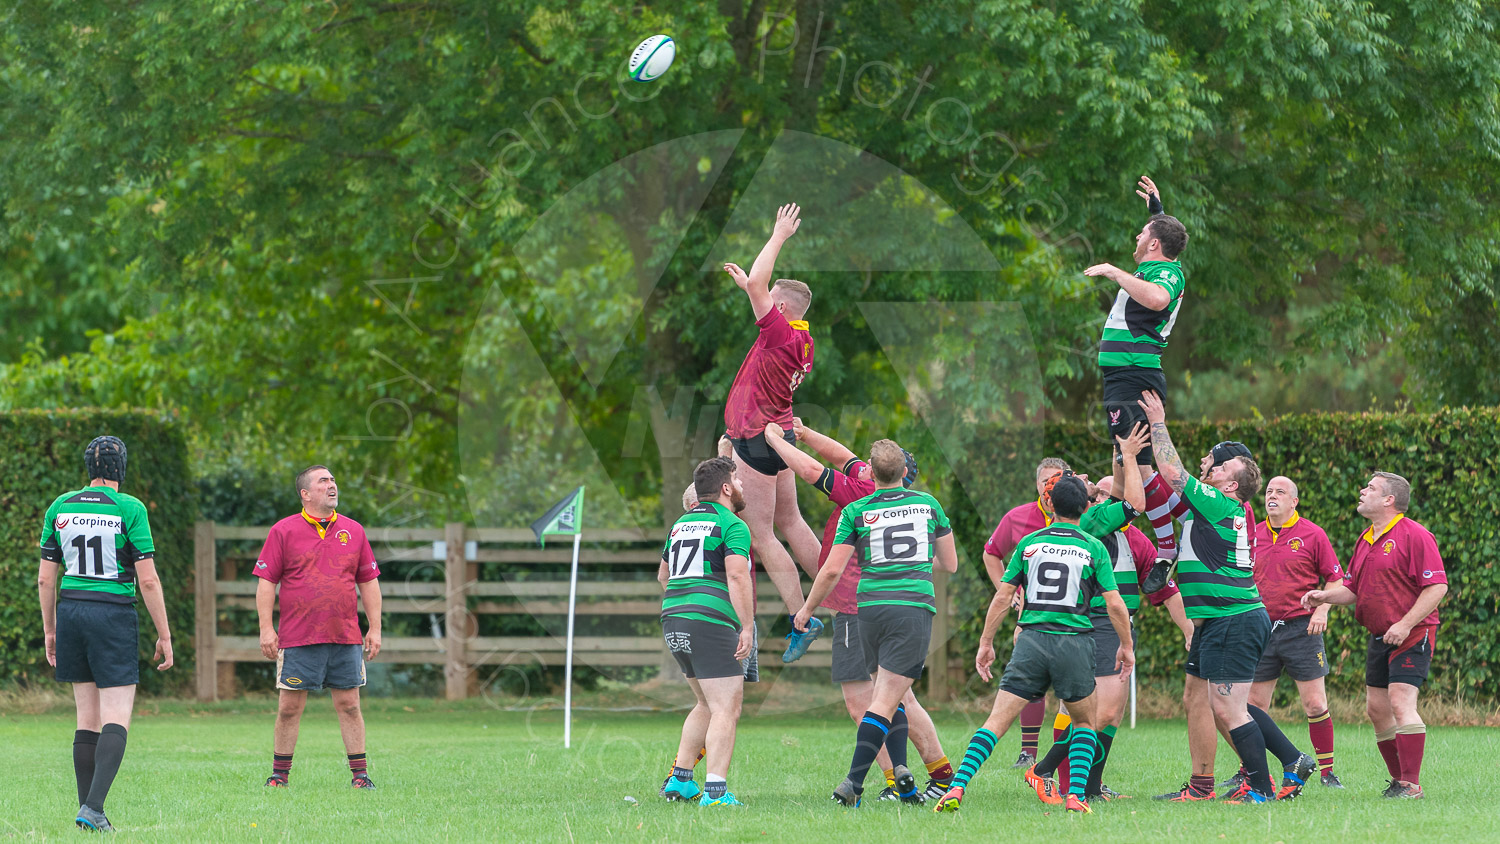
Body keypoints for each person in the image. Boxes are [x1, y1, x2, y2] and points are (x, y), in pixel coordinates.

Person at [766, 418, 955, 803]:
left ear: (876, 471)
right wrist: (804, 433)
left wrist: (774, 440)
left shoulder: (861, 496)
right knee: (899, 698)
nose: (859, 465)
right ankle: (933, 775)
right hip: (902, 607)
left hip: (861, 606)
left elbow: (812, 470)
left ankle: (883, 782)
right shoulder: (906, 497)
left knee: (864, 704)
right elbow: (841, 456)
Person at [1136, 393, 1313, 804]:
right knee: (1213, 701)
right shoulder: (1210, 508)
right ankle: (1290, 761)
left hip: (1234, 617)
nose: (1212, 468)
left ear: (1232, 484)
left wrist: (1159, 422)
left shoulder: (1218, 503)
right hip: (1218, 619)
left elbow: (1172, 471)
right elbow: (1162, 491)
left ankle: (1261, 788)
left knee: (1228, 707)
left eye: (1222, 467)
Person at [934, 474, 1133, 816]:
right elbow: (1115, 604)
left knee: (995, 722)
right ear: (1086, 508)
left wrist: (986, 643)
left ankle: (957, 786)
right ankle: (1076, 797)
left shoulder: (1030, 544)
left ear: (1050, 505)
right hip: (1074, 643)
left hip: (1031, 642)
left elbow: (1003, 596)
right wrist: (1126, 646)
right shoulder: (1093, 547)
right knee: (1084, 723)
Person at [1026, 428, 1194, 804]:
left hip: (1111, 624)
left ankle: (1089, 787)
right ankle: (1045, 770)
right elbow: (1129, 497)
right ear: (1083, 500)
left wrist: (1123, 453)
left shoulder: (1125, 534)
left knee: (1111, 714)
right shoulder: (1092, 521)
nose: (1100, 491)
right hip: (1095, 623)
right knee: (1095, 712)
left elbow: (1165, 589)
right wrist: (1130, 458)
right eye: (1092, 488)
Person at [37, 437, 173, 832]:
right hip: (112, 615)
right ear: (122, 469)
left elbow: (46, 578)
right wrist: (164, 634)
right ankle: (93, 808)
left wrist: (51, 629)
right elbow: (147, 581)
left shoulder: (61, 505)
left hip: (72, 612)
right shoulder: (130, 508)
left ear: (88, 468)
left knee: (86, 717)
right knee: (117, 716)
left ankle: (87, 810)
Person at [1303, 472, 1448, 799]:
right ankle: (1399, 782)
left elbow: (1437, 586)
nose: (1362, 491)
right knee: (1376, 709)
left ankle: (1411, 785)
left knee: (1400, 700)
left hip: (1413, 633)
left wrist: (1406, 624)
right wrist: (1324, 597)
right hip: (1380, 635)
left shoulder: (1415, 534)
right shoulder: (1365, 538)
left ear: (1389, 500)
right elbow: (1353, 588)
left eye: (1370, 488)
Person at [721, 202, 823, 661]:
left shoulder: (779, 332)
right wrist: (749, 289)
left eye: (767, 299)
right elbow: (761, 290)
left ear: (779, 308)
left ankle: (802, 617)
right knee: (791, 521)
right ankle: (836, 594)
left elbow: (764, 285)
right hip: (778, 434)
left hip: (756, 438)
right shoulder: (802, 336)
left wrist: (779, 234)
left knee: (762, 534)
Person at [255, 466, 382, 789]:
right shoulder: (283, 531)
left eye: (333, 480)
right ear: (305, 494)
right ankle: (279, 776)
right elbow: (267, 582)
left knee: (350, 705)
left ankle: (361, 776)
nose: (332, 485)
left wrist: (375, 628)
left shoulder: (354, 531)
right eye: (323, 481)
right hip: (298, 637)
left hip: (345, 635)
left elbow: (369, 582)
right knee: (289, 708)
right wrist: (266, 629)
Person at [1218, 476, 1344, 791]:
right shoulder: (1251, 533)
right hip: (1259, 627)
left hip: (1302, 627)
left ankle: (1327, 773)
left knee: (1315, 704)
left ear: (1294, 502)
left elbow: (1336, 580)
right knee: (1251, 706)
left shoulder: (1313, 534)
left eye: (1280, 492)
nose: (1272, 496)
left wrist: (1322, 609)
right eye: (1269, 491)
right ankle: (1249, 770)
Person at [659, 457, 756, 807]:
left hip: (673, 618)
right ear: (726, 488)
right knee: (726, 708)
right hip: (709, 622)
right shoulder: (731, 524)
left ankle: (681, 781)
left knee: (704, 702)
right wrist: (746, 625)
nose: (742, 485)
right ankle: (716, 793)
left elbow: (663, 576)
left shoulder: (680, 524)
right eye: (739, 479)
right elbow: (736, 576)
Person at [1084, 175, 1188, 471]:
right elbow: (1166, 236)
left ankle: (1179, 518)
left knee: (1137, 472)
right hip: (1124, 376)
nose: (1137, 238)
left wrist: (1115, 272)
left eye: (1143, 234)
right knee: (1124, 468)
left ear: (1154, 243)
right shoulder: (1155, 266)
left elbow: (1158, 299)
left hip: (1134, 375)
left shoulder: (1168, 274)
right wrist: (1157, 212)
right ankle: (1124, 516)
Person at [979, 457, 1073, 769]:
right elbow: (991, 553)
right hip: (1031, 616)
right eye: (1044, 481)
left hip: (1073, 616)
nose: (1050, 487)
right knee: (1030, 679)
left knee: (1070, 689)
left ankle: (1065, 754)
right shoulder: (1019, 518)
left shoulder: (1081, 517)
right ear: (1037, 485)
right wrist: (1011, 593)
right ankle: (1028, 753)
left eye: (1056, 480)